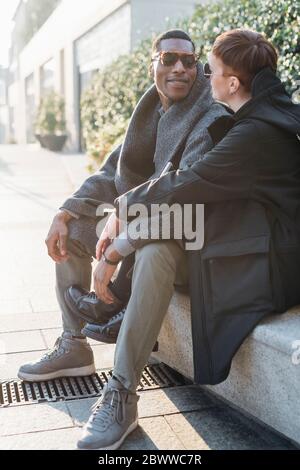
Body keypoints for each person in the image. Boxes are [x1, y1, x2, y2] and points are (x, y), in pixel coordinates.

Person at [75, 28, 300, 450]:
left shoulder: (258, 134)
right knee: (158, 248)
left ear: (232, 83)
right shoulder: (253, 117)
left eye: (209, 70)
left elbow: (188, 184)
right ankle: (121, 394)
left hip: (267, 264)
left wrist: (122, 223)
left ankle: (120, 382)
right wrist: (128, 231)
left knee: (156, 238)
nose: (203, 79)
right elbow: (198, 198)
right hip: (236, 244)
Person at [18, 30, 228, 383]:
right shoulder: (149, 108)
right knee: (72, 231)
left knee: (146, 243)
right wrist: (65, 211)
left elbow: (182, 193)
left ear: (197, 67)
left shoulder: (208, 115)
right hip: (143, 218)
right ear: (152, 66)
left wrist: (121, 223)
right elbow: (112, 171)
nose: (180, 68)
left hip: (189, 235)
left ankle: (119, 339)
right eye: (168, 59)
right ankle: (74, 346)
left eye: (189, 61)